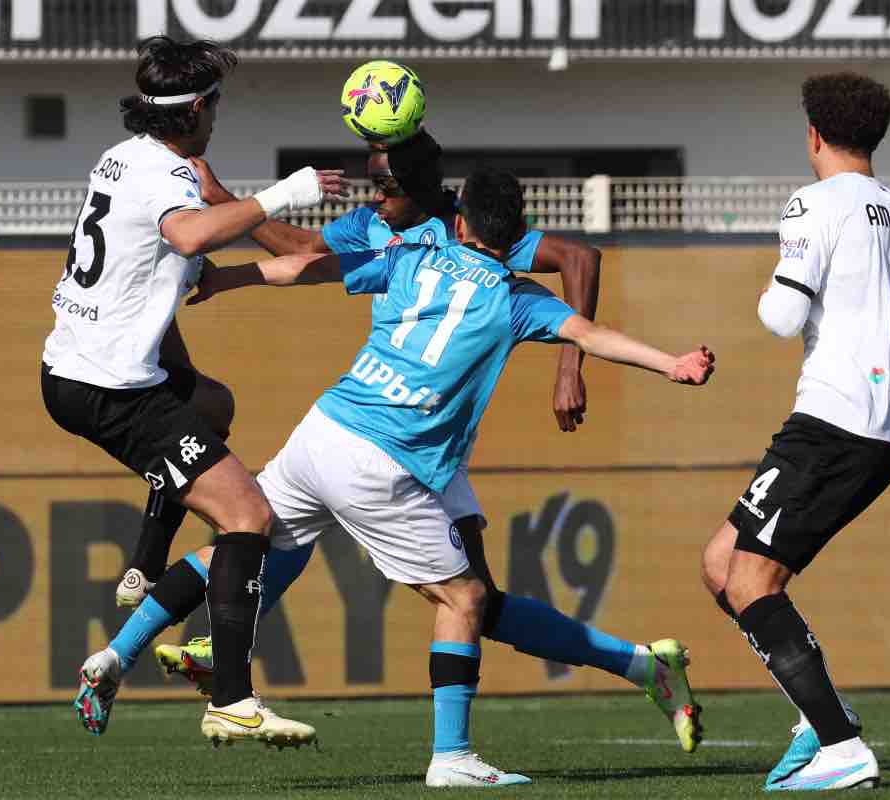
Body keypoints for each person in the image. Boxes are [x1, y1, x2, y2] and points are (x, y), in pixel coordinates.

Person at [100, 168, 713, 785]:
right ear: (517, 231)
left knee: (242, 540)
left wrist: (224, 278)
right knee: (465, 599)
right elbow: (593, 335)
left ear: (461, 222)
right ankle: (452, 758)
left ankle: (114, 655)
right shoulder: (518, 298)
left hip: (323, 430)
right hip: (386, 460)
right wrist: (672, 364)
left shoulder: (414, 256)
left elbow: (306, 266)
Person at [115, 128, 599, 604]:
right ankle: (187, 640)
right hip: (386, 422)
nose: (376, 197)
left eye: (386, 186)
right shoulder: (369, 223)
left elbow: (579, 257)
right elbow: (301, 253)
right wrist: (221, 198)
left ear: (420, 187)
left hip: (433, 430)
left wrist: (568, 369)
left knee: (475, 599)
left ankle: (639, 664)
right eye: (373, 184)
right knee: (461, 596)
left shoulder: (464, 228)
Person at [40, 34, 346, 746]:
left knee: (215, 406)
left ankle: (149, 562)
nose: (220, 113)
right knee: (248, 516)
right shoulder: (167, 182)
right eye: (216, 101)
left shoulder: (128, 158)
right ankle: (233, 698)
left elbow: (265, 243)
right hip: (111, 387)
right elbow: (188, 237)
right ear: (197, 108)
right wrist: (284, 192)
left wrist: (251, 211)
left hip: (83, 366)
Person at [698, 72, 890, 791]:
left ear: (813, 134)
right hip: (873, 433)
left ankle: (841, 745)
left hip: (829, 424)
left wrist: (776, 281)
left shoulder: (814, 204)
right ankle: (820, 713)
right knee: (722, 563)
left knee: (752, 579)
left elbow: (781, 317)